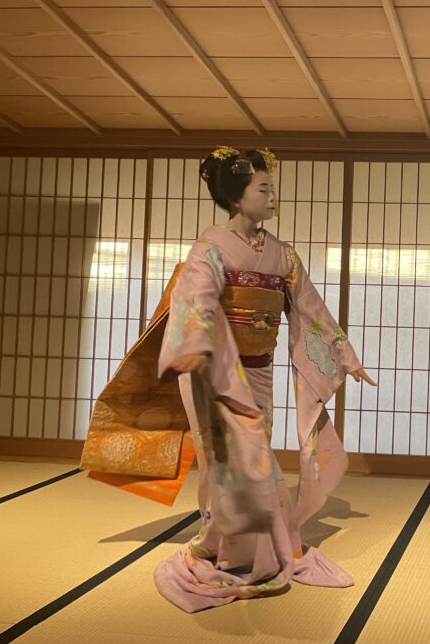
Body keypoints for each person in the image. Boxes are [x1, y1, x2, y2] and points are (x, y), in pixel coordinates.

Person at [82, 146, 375, 612]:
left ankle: (234, 546)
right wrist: (196, 348)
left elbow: (310, 310)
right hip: (213, 371)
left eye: (272, 187)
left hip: (258, 375)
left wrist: (344, 355)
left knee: (256, 459)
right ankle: (219, 545)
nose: (273, 195)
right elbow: (194, 301)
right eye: (264, 188)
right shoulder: (210, 248)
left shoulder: (284, 255)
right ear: (237, 198)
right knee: (232, 463)